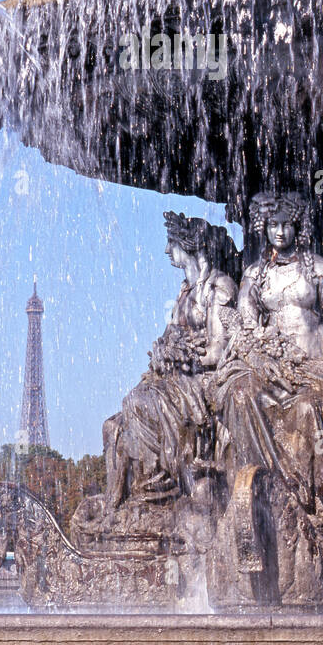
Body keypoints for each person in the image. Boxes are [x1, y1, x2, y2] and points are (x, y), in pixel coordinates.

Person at [213, 192, 323, 537]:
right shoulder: (254, 276)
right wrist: (254, 351)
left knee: (308, 407)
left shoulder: (319, 268)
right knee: (240, 394)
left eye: (286, 224)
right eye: (273, 225)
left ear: (298, 225)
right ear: (263, 227)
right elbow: (245, 323)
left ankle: (319, 499)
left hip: (315, 359)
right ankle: (255, 490)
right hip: (272, 361)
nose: (280, 231)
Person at [103, 212, 239, 510]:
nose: (167, 251)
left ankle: (157, 485)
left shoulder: (219, 287)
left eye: (172, 243)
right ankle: (126, 497)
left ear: (189, 245)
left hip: (201, 379)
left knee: (138, 402)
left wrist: (181, 357)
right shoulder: (185, 291)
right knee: (113, 425)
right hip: (177, 377)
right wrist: (165, 354)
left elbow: (217, 352)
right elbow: (169, 340)